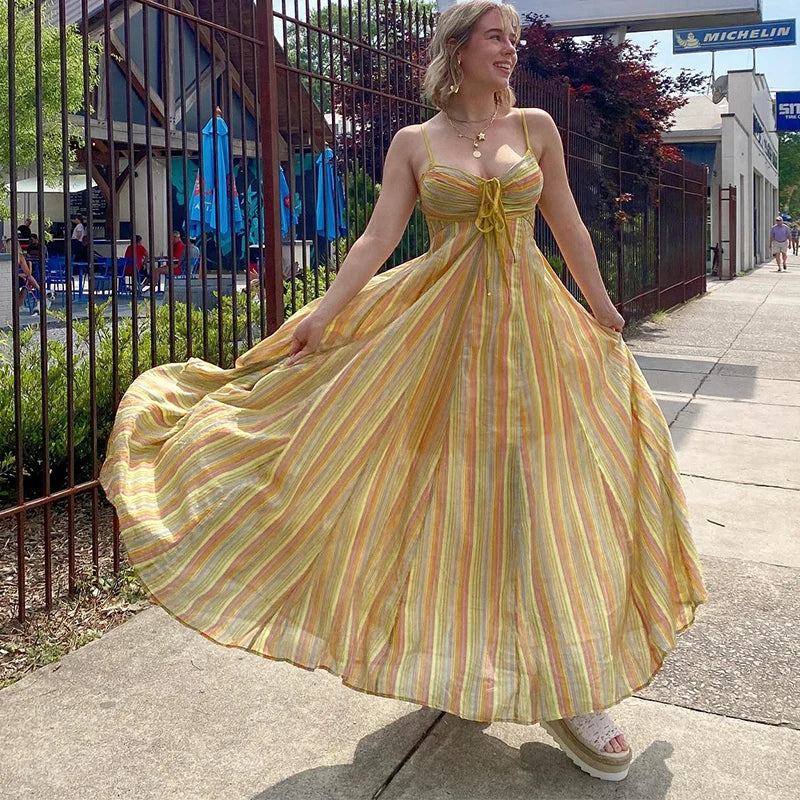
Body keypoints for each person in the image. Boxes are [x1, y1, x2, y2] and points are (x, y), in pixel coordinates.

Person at [99, 1, 706, 785]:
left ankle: (573, 683)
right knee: (448, 490)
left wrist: (600, 307)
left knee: (547, 489)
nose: (510, 51)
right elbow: (378, 237)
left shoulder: (537, 129)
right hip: (439, 341)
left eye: (514, 39)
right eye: (497, 37)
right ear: (457, 49)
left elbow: (568, 224)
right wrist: (324, 313)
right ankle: (469, 655)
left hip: (535, 336)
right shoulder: (415, 143)